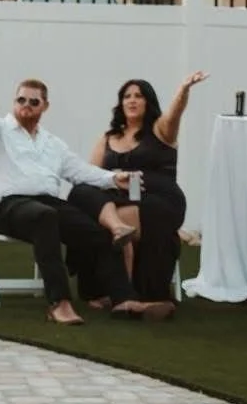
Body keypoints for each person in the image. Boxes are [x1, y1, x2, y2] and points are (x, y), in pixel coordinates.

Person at [0, 80, 175, 325]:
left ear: (45, 106)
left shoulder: (53, 144)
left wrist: (114, 178)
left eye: (34, 101)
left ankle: (124, 299)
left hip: (46, 203)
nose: (26, 105)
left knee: (98, 231)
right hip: (6, 206)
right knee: (44, 216)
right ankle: (59, 303)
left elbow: (81, 171)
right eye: (21, 100)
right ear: (14, 102)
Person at [70, 73, 206, 306]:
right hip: (118, 199)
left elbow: (175, 114)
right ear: (121, 103)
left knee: (110, 224)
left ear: (148, 102)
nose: (132, 100)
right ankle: (121, 293)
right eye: (127, 96)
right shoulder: (108, 138)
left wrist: (183, 90)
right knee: (81, 196)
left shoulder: (160, 130)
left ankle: (121, 294)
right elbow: (90, 174)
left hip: (158, 201)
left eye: (139, 96)